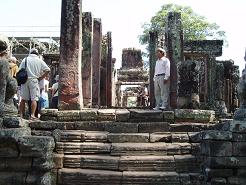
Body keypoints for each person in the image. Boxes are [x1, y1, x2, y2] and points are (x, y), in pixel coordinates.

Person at [19, 48, 50, 120]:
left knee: (23, 99)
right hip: (34, 80)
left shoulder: (25, 59)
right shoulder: (39, 60)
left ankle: (21, 115)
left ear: (30, 53)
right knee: (34, 99)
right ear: (37, 54)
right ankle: (32, 115)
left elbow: (20, 70)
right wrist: (41, 77)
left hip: (25, 80)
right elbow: (48, 70)